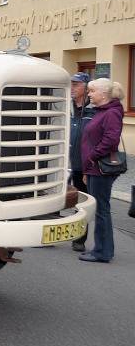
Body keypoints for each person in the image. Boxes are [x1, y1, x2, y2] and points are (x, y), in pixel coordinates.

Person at [79, 78, 125, 263]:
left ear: (103, 94)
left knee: (101, 209)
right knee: (100, 208)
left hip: (100, 168)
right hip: (93, 167)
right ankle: (102, 249)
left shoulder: (111, 113)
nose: (89, 94)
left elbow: (111, 140)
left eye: (92, 91)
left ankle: (102, 252)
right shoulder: (102, 111)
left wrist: (92, 156)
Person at [68, 72, 94, 252]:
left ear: (86, 88)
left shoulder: (94, 110)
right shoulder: (65, 107)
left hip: (82, 164)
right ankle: (49, 236)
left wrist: (88, 167)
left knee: (81, 203)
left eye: (76, 84)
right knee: (57, 200)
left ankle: (79, 239)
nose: (72, 88)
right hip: (64, 163)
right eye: (71, 84)